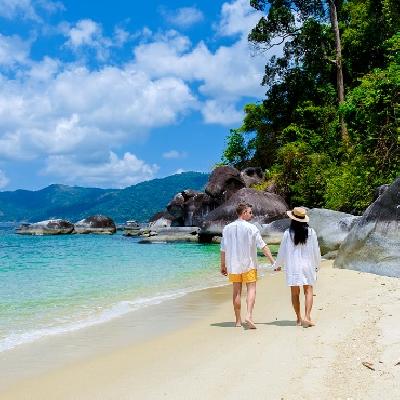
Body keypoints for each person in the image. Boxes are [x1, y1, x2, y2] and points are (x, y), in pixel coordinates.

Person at [220, 202, 275, 329]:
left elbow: (223, 249)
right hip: (249, 264)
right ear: (244, 212)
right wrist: (273, 262)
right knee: (251, 289)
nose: (251, 214)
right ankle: (249, 316)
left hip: (233, 265)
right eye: (250, 212)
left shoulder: (227, 228)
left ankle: (238, 321)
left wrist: (223, 265)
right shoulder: (251, 228)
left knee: (236, 291)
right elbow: (263, 246)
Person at [273, 207, 321, 328]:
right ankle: (307, 316)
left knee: (295, 293)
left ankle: (299, 319)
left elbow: (282, 252)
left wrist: (277, 265)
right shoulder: (311, 232)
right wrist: (317, 265)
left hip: (293, 267)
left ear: (293, 219)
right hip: (308, 265)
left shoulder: (287, 233)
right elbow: (316, 250)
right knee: (308, 291)